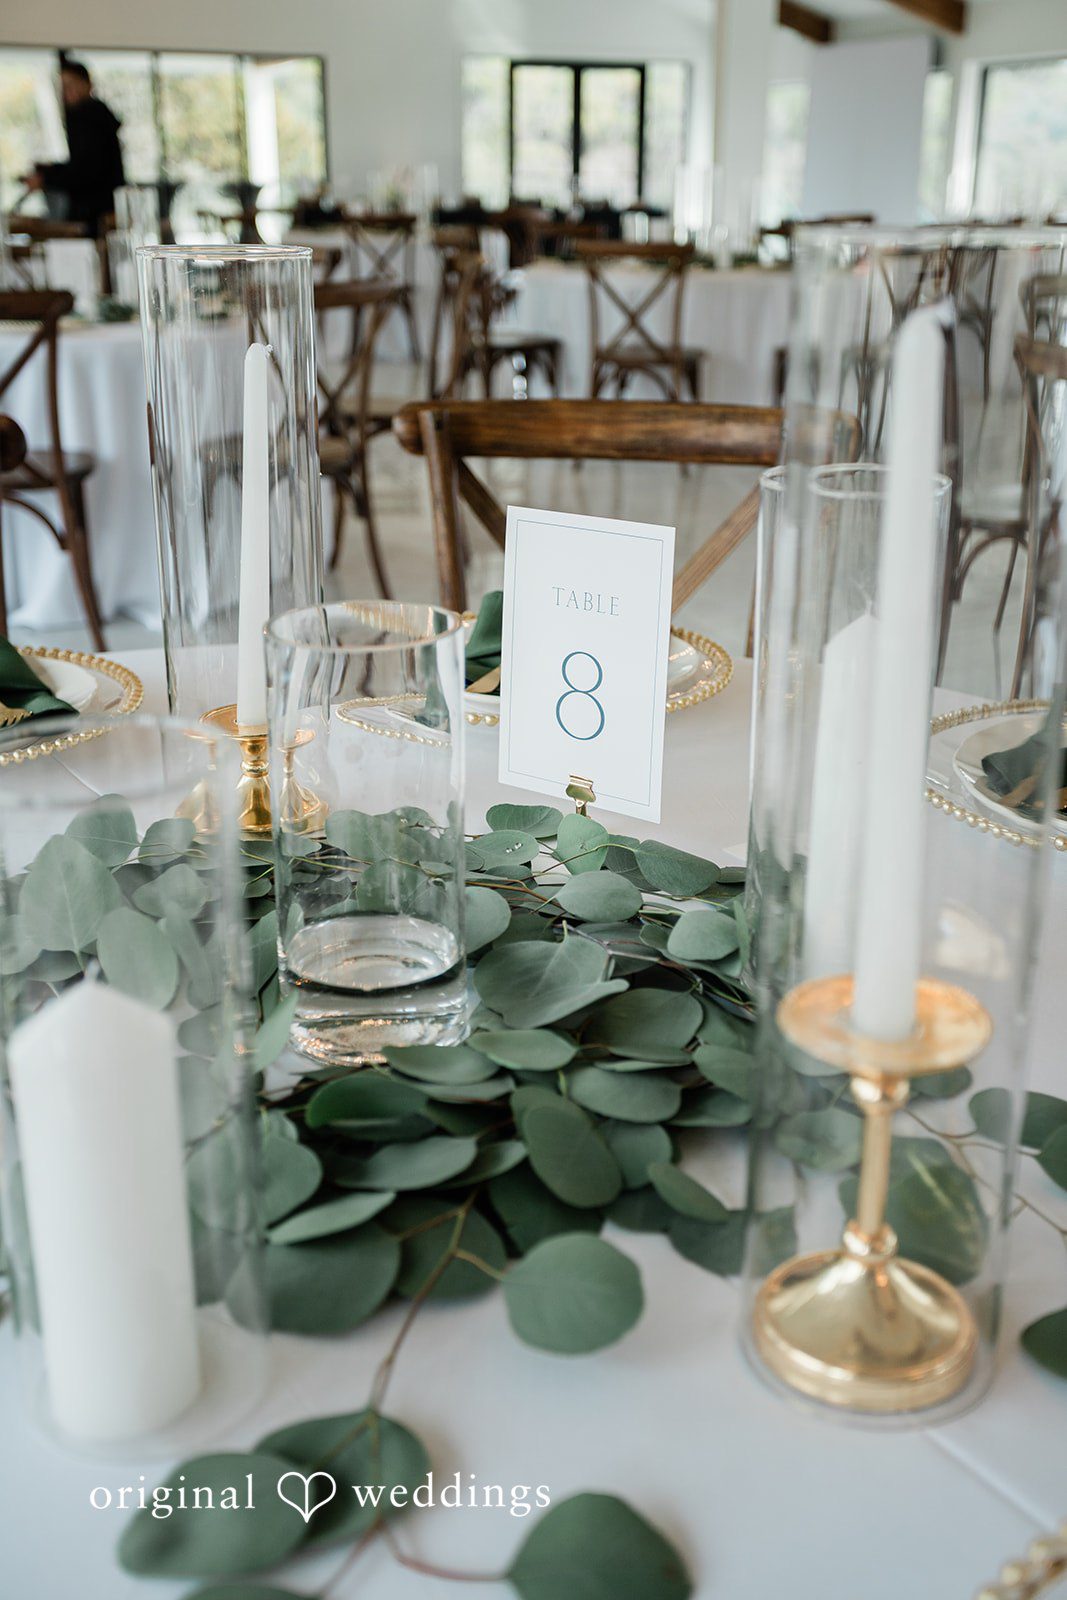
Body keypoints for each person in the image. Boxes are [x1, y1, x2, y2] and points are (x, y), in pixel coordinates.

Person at [24, 57, 125, 236]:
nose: (66, 91)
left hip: (97, 214)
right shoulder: (92, 115)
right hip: (98, 210)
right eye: (63, 86)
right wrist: (51, 170)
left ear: (87, 84)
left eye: (71, 84)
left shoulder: (90, 115)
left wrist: (47, 178)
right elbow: (84, 162)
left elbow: (87, 170)